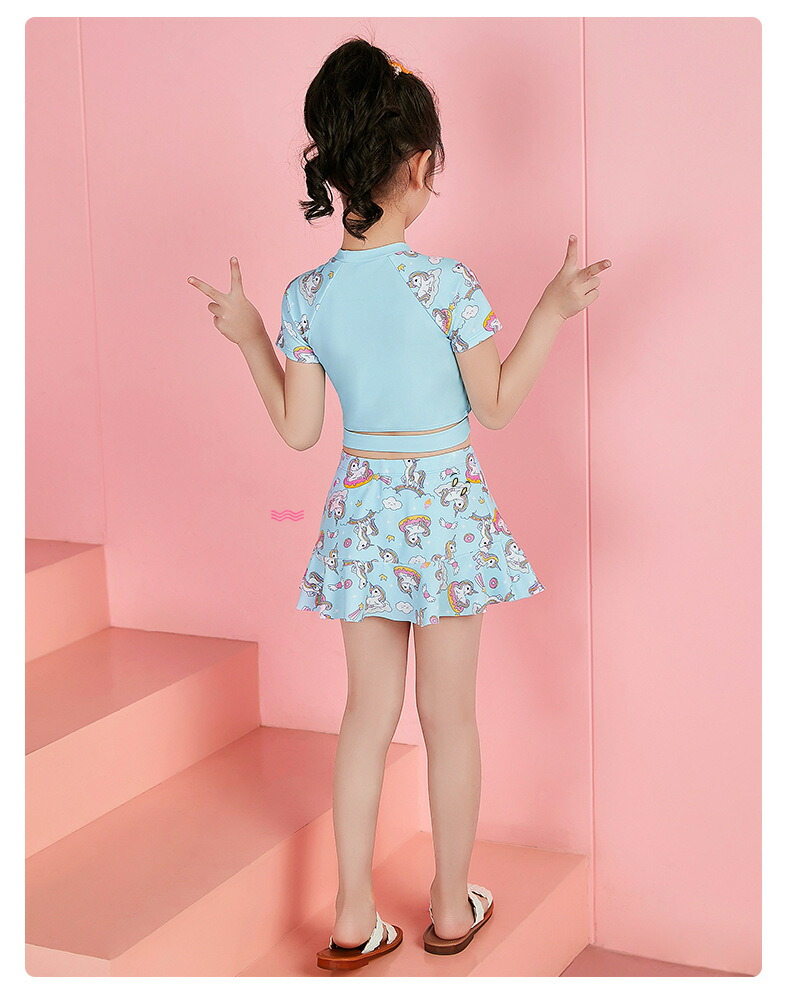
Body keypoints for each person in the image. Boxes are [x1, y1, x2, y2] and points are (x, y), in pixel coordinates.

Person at [187, 36, 611, 972]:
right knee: (449, 719)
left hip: (362, 517)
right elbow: (494, 407)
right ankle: (451, 908)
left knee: (364, 718)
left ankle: (351, 917)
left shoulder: (305, 297)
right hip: (446, 517)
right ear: (420, 167)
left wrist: (251, 335)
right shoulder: (445, 284)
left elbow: (300, 431)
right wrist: (550, 310)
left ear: (338, 169)